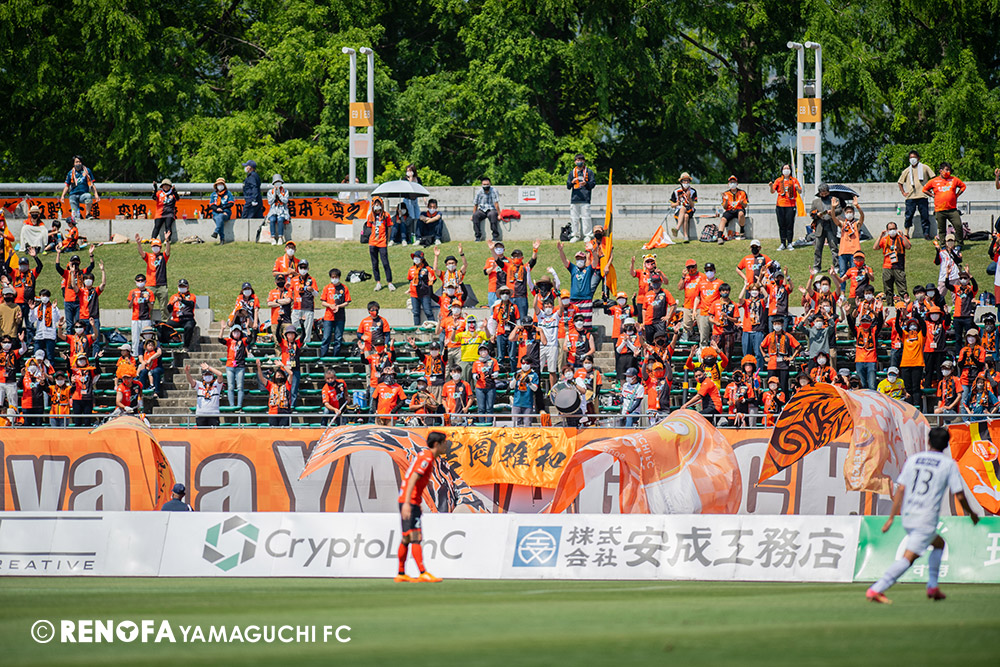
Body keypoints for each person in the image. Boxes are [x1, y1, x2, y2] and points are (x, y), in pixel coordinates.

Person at [867, 427, 979, 603]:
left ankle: (933, 586)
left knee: (939, 544)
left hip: (908, 514)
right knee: (908, 558)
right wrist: (972, 513)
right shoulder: (948, 464)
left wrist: (891, 517)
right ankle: (876, 589)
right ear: (947, 444)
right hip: (925, 518)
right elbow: (959, 495)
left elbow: (901, 489)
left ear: (928, 441)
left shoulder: (914, 459)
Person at [395, 431, 447, 583]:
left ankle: (401, 573)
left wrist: (415, 502)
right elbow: (413, 479)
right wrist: (408, 503)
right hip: (408, 501)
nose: (446, 446)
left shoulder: (425, 456)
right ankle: (423, 572)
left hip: (410, 500)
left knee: (406, 537)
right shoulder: (427, 458)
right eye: (444, 443)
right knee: (416, 537)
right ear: (436, 444)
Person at [558, 242, 601, 328]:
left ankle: (586, 336)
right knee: (572, 323)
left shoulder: (588, 269)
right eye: (577, 258)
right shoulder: (573, 268)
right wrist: (561, 250)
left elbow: (595, 261)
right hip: (574, 300)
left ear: (585, 259)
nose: (579, 260)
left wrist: (593, 250)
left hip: (586, 300)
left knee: (585, 324)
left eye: (581, 258)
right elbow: (564, 260)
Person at [923, 162, 966, 245]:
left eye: (949, 170)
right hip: (940, 210)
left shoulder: (954, 179)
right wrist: (932, 195)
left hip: (952, 209)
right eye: (946, 170)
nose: (948, 172)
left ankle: (960, 243)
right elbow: (924, 189)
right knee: (942, 229)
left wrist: (957, 195)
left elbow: (963, 186)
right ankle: (943, 245)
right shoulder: (934, 181)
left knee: (958, 226)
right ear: (941, 171)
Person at [897, 150, 935, 240]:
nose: (912, 159)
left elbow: (933, 178)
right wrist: (903, 192)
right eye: (911, 158)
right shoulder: (907, 170)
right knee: (908, 216)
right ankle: (906, 233)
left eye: (914, 157)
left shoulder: (925, 167)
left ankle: (926, 233)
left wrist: (931, 190)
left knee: (925, 216)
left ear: (918, 158)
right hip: (911, 197)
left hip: (923, 196)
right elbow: (900, 182)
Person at [135, 232, 171, 320]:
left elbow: (168, 251)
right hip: (150, 285)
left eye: (157, 246)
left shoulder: (163, 256)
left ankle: (165, 322)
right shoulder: (149, 256)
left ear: (160, 247)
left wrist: (167, 240)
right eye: (154, 246)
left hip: (162, 285)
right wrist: (139, 244)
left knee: (163, 306)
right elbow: (141, 253)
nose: (155, 248)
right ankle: (147, 321)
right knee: (148, 305)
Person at [365, 196, 394, 291]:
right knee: (374, 263)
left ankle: (389, 282)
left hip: (382, 243)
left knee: (385, 263)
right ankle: (378, 282)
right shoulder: (370, 216)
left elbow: (389, 227)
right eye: (375, 204)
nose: (377, 206)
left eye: (379, 204)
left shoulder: (386, 215)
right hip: (372, 243)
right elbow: (369, 227)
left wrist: (387, 239)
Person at [320, 268, 351, 358]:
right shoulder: (327, 287)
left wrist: (338, 306)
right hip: (328, 317)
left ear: (339, 277)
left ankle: (336, 357)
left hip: (340, 317)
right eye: (332, 277)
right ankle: (323, 357)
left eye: (336, 277)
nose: (334, 279)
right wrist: (330, 305)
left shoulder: (344, 288)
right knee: (326, 337)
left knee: (338, 338)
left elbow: (347, 302)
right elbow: (323, 302)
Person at [896, 314, 925, 407]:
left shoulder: (920, 336)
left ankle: (917, 406)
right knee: (907, 387)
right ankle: (909, 406)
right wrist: (898, 315)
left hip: (917, 364)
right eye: (911, 325)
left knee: (916, 387)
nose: (912, 327)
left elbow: (924, 326)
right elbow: (897, 328)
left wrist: (918, 316)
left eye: (914, 325)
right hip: (905, 364)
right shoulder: (905, 335)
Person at [947, 271, 979, 356]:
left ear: (968, 280)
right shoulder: (956, 288)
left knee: (969, 337)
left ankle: (969, 353)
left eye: (965, 278)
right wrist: (947, 274)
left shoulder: (971, 289)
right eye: (961, 278)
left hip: (967, 317)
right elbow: (947, 285)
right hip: (957, 317)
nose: (963, 280)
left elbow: (975, 286)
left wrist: (971, 276)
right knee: (958, 338)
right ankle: (958, 354)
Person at [809, 183, 840, 271]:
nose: (824, 195)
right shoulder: (815, 202)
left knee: (834, 247)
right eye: (822, 194)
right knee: (817, 248)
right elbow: (811, 213)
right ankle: (816, 267)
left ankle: (837, 265)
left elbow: (840, 210)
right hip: (820, 226)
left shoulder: (834, 200)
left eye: (825, 193)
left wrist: (832, 212)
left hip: (831, 225)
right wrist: (817, 215)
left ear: (828, 192)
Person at [771, 164, 802, 251]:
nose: (786, 170)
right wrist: (770, 186)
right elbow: (772, 191)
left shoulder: (794, 180)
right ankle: (782, 243)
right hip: (780, 205)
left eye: (788, 168)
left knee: (790, 224)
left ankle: (789, 243)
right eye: (784, 168)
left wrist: (797, 188)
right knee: (781, 225)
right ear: (782, 170)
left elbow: (800, 191)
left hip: (791, 205)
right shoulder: (778, 180)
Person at [875, 221, 910, 299]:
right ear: (887, 230)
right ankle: (889, 305)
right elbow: (875, 247)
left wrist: (903, 236)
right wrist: (880, 236)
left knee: (902, 289)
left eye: (894, 229)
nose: (892, 231)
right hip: (887, 267)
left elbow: (908, 246)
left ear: (897, 229)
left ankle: (904, 304)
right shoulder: (884, 239)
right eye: (890, 229)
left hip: (899, 267)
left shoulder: (900, 238)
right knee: (888, 289)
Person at [566, 154, 596, 242]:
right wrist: (572, 182)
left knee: (586, 218)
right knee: (574, 218)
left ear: (584, 161)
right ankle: (575, 235)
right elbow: (568, 186)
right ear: (575, 162)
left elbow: (593, 184)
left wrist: (586, 183)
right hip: (575, 198)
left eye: (581, 160)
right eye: (578, 160)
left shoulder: (589, 172)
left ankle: (588, 235)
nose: (579, 162)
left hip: (585, 198)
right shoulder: (572, 172)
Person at [289, 259, 319, 344]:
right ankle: (293, 344)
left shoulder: (312, 280)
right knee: (293, 327)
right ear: (298, 268)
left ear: (308, 268)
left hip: (308, 308)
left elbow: (316, 294)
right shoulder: (294, 280)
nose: (303, 269)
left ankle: (305, 345)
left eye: (304, 267)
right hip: (296, 308)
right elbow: (290, 293)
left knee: (307, 329)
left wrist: (312, 290)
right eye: (301, 267)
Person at [220, 324, 250, 409]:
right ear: (232, 333)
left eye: (238, 331)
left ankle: (239, 406)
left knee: (240, 387)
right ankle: (232, 406)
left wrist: (247, 328)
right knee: (230, 387)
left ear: (240, 333)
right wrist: (222, 329)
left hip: (240, 366)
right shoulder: (229, 341)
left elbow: (249, 339)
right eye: (234, 331)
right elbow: (220, 339)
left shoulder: (243, 341)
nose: (236, 333)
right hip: (230, 366)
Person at [255, 358, 292, 427]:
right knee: (273, 430)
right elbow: (261, 378)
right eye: (278, 375)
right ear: (275, 376)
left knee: (283, 430)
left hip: (285, 412)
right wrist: (259, 367)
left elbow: (291, 373)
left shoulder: (287, 385)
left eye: (281, 375)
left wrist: (282, 366)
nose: (279, 376)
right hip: (273, 412)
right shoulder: (271, 385)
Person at [185, 362, 223, 426]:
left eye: (209, 374)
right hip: (201, 414)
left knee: (214, 432)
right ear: (203, 376)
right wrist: (187, 373)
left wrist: (209, 368)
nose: (207, 376)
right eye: (206, 375)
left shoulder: (217, 385)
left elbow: (220, 375)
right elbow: (191, 381)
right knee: (201, 432)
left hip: (213, 414)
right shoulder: (199, 384)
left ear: (212, 376)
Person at [693, 262, 722, 347]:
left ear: (715, 271)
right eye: (707, 270)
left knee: (716, 336)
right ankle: (703, 352)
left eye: (711, 270)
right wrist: (694, 310)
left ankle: (716, 352)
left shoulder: (719, 283)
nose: (709, 272)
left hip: (715, 314)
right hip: (703, 313)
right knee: (703, 336)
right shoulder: (701, 283)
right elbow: (697, 297)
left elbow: (722, 298)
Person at [29, 289, 60, 363]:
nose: (44, 297)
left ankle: (50, 370)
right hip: (39, 335)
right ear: (40, 297)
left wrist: (54, 309)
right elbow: (32, 320)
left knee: (50, 356)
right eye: (43, 296)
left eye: (46, 296)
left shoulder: (53, 308)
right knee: (36, 355)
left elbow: (56, 319)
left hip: (50, 335)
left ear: (49, 297)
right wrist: (32, 310)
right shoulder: (37, 308)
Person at [834, 197, 863, 276]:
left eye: (851, 212)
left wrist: (857, 206)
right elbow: (834, 218)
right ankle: (842, 285)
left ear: (853, 213)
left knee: (854, 272)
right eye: (847, 212)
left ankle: (854, 284)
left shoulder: (856, 224)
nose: (849, 213)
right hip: (843, 251)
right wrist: (833, 208)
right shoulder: (843, 224)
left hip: (854, 251)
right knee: (842, 272)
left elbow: (862, 216)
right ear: (845, 213)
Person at [167, 278, 197, 351]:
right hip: (176, 319)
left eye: (184, 286)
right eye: (180, 286)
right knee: (165, 326)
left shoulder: (191, 296)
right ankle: (171, 343)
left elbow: (191, 304)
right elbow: (169, 309)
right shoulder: (174, 296)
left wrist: (182, 300)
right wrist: (173, 302)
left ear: (187, 287)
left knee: (189, 327)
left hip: (187, 319)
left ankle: (186, 346)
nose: (182, 288)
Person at [127, 273, 155, 350]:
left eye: (142, 280)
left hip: (146, 318)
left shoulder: (149, 292)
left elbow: (151, 307)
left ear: (145, 281)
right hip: (135, 318)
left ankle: (146, 353)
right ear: (135, 282)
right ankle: (135, 353)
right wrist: (132, 299)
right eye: (138, 280)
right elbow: (129, 306)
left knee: (147, 339)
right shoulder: (132, 292)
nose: (140, 282)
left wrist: (147, 300)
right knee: (135, 338)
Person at [407, 250, 436, 325]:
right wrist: (410, 289)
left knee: (428, 312)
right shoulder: (411, 269)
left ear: (422, 259)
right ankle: (417, 328)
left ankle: (433, 326)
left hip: (425, 294)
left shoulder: (428, 269)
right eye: (414, 257)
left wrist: (427, 286)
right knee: (416, 313)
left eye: (417, 257)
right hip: (414, 294)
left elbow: (433, 279)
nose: (415, 259)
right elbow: (410, 280)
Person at [472, 344, 499, 423]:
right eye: (481, 350)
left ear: (488, 351)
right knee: (481, 408)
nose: (483, 352)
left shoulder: (493, 361)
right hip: (479, 387)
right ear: (479, 352)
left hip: (490, 386)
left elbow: (496, 373)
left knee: (489, 407)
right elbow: (474, 374)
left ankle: (489, 423)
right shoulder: (476, 362)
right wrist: (476, 377)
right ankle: (481, 424)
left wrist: (491, 376)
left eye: (484, 350)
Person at [669, 172, 698, 242]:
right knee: (685, 216)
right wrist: (676, 204)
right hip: (679, 212)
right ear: (681, 182)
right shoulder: (676, 191)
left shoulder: (693, 191)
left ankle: (677, 228)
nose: (686, 182)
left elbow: (693, 205)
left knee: (683, 208)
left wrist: (689, 198)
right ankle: (686, 236)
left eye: (687, 180)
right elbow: (672, 205)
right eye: (684, 180)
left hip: (689, 209)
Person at [472, 177, 501, 243]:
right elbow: (475, 204)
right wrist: (473, 214)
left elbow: (496, 203)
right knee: (475, 216)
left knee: (492, 215)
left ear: (490, 184)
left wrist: (499, 214)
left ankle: (495, 236)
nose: (486, 186)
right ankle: (478, 237)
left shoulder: (494, 191)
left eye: (487, 184)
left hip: (491, 209)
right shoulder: (479, 192)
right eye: (484, 184)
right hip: (482, 210)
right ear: (481, 185)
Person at [511, 359, 540, 426]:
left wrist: (529, 383)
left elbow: (535, 389)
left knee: (527, 425)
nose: (525, 365)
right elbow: (511, 386)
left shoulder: (534, 375)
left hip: (528, 404)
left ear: (530, 364)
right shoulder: (518, 373)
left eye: (527, 363)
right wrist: (515, 379)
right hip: (517, 403)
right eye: (523, 363)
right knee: (515, 425)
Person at [208, 177, 235, 244]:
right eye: (218, 184)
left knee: (220, 217)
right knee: (219, 219)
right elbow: (211, 204)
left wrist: (222, 209)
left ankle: (216, 232)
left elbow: (231, 203)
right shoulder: (213, 194)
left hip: (226, 212)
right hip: (216, 213)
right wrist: (217, 209)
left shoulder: (228, 193)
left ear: (224, 185)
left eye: (221, 184)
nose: (220, 185)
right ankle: (222, 239)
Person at [266, 275, 292, 343]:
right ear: (275, 282)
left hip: (286, 320)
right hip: (275, 320)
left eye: (282, 280)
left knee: (288, 341)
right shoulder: (272, 292)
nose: (280, 282)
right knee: (277, 342)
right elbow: (269, 304)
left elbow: (288, 301)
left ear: (285, 281)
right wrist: (281, 303)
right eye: (279, 280)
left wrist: (276, 301)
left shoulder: (288, 291)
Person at [266, 174, 290, 244]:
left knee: (280, 219)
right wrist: (274, 194)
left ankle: (280, 237)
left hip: (282, 211)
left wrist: (279, 194)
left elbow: (285, 201)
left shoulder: (285, 191)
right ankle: (272, 237)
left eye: (279, 182)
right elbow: (270, 202)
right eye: (276, 182)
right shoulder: (270, 192)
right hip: (273, 211)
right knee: (272, 219)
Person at [402, 164, 424, 232]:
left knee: (418, 215)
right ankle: (411, 232)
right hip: (408, 200)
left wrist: (424, 199)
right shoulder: (405, 179)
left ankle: (417, 231)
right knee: (412, 216)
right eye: (407, 171)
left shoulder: (418, 179)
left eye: (410, 170)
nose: (409, 172)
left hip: (415, 199)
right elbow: (409, 188)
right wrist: (410, 179)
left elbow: (421, 190)